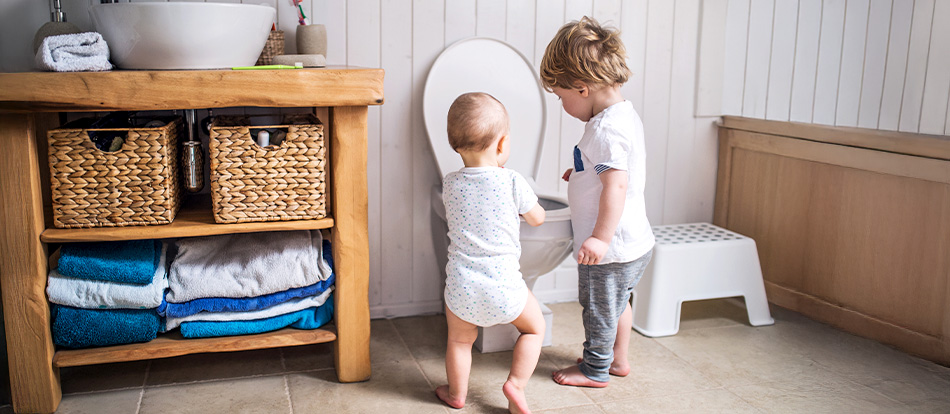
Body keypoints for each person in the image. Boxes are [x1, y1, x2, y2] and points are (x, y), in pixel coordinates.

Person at [540, 16, 656, 388]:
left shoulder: (605, 130)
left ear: (582, 88)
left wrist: (599, 239)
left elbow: (616, 186)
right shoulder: (622, 116)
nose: (562, 104)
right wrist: (580, 174)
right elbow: (612, 172)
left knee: (599, 309)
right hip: (633, 242)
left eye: (562, 97)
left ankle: (595, 369)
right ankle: (617, 359)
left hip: (610, 248)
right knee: (617, 303)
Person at [435, 92, 547, 413]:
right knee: (534, 328)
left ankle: (457, 395)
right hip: (504, 286)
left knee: (459, 341)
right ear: (502, 145)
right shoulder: (512, 180)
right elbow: (538, 218)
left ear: (455, 145)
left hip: (462, 288)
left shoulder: (450, 183)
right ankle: (516, 384)